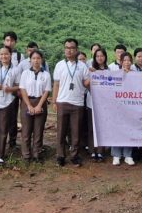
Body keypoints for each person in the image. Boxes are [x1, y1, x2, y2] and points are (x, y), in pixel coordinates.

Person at [52, 38, 91, 167]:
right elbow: (56, 84)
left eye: (72, 48)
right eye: (67, 48)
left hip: (78, 103)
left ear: (76, 49)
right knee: (61, 131)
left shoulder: (82, 66)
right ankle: (60, 156)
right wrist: (54, 101)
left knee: (76, 132)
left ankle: (74, 156)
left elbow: (86, 83)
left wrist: (97, 77)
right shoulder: (59, 65)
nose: (69, 50)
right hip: (62, 101)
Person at [18, 50, 52, 163]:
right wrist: (28, 105)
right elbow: (22, 89)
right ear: (30, 60)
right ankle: (26, 155)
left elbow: (46, 91)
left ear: (41, 60)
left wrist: (39, 106)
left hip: (40, 102)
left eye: (38, 58)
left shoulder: (46, 74)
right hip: (27, 101)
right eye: (33, 58)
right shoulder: (25, 73)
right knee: (26, 130)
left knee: (38, 130)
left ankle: (37, 154)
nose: (36, 60)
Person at [111, 52, 135, 166]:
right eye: (124, 60)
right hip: (117, 107)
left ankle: (128, 155)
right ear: (120, 62)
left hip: (131, 107)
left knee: (129, 129)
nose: (127, 62)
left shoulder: (136, 75)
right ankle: (116, 155)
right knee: (116, 129)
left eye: (129, 60)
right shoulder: (115, 74)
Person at [87, 48, 109, 162]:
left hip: (104, 105)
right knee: (91, 129)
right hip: (92, 103)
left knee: (102, 128)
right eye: (97, 56)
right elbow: (85, 84)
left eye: (102, 56)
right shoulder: (90, 70)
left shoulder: (108, 70)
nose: (100, 58)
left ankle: (100, 151)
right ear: (94, 58)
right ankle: (92, 151)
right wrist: (91, 75)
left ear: (105, 57)